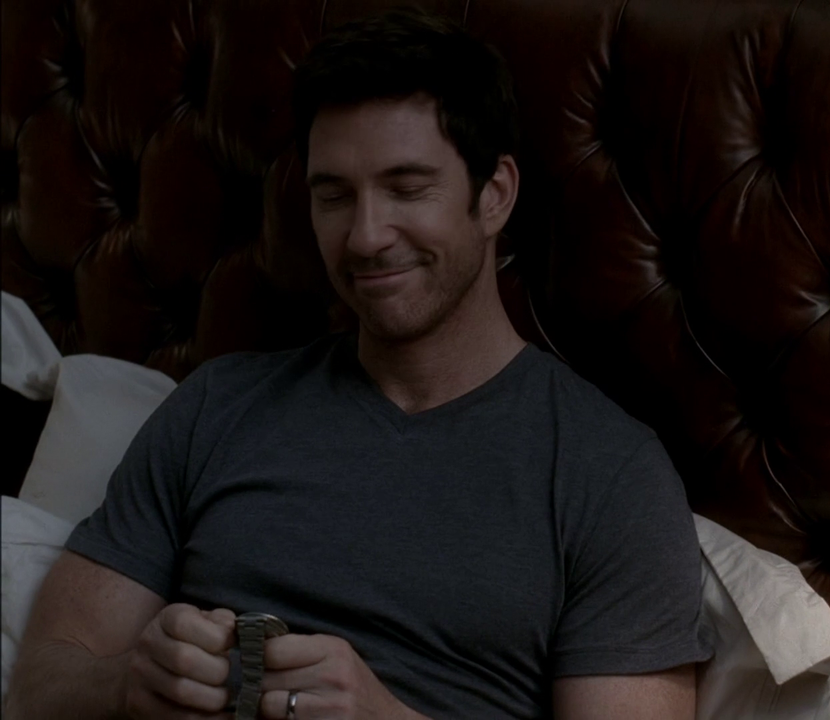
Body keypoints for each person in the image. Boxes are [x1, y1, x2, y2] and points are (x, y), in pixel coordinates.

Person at [7, 9, 711, 720]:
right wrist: (125, 684)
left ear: (495, 193)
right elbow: (37, 687)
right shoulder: (218, 405)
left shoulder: (609, 476)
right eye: (335, 196)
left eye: (407, 188)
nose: (366, 237)